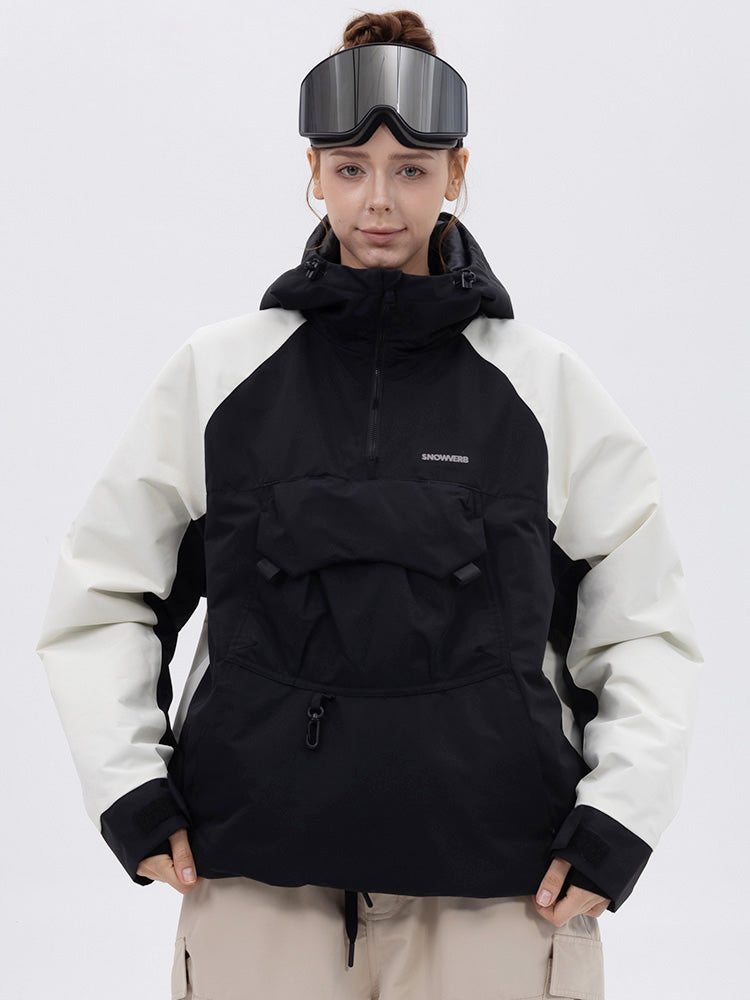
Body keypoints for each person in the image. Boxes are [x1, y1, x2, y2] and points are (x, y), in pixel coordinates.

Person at [36, 10, 703, 1000]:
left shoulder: (545, 388)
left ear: (457, 172)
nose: (379, 200)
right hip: (256, 887)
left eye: (411, 170)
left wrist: (620, 820)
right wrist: (128, 786)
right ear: (313, 171)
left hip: (502, 894)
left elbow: (644, 626)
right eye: (350, 168)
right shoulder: (219, 376)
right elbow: (104, 593)